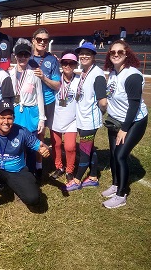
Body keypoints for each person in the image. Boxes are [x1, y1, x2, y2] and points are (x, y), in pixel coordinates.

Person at [102, 40, 148, 208]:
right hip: (115, 120)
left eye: (119, 52)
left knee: (121, 156)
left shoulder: (132, 76)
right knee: (113, 154)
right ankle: (115, 184)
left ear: (126, 54)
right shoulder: (113, 73)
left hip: (134, 121)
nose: (115, 54)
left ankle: (121, 195)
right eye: (112, 52)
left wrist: (124, 129)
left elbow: (134, 105)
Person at [64, 42, 107, 192]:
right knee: (90, 149)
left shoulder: (98, 74)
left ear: (94, 56)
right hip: (83, 119)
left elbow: (103, 101)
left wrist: (101, 113)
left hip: (89, 121)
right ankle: (93, 176)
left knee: (84, 151)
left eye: (87, 54)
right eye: (81, 53)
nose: (83, 56)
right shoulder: (84, 72)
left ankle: (77, 180)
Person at [8, 38, 46, 177]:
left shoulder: (34, 73)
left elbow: (40, 96)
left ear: (29, 56)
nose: (22, 58)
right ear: (15, 56)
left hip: (31, 113)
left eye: (26, 55)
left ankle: (30, 174)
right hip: (16, 112)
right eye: (20, 55)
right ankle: (18, 173)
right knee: (17, 144)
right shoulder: (10, 73)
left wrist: (42, 119)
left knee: (31, 146)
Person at [29, 28, 61, 181]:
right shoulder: (26, 57)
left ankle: (39, 165)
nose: (42, 42)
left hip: (48, 102)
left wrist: (43, 78)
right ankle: (28, 161)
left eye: (45, 40)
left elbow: (57, 85)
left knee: (43, 134)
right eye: (39, 39)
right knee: (30, 132)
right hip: (31, 102)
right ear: (33, 40)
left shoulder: (52, 60)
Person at [49, 51, 80, 182]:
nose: (68, 66)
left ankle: (70, 170)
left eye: (71, 63)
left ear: (75, 65)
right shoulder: (55, 79)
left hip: (72, 120)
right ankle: (59, 167)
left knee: (70, 147)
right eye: (65, 63)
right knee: (55, 145)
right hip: (55, 118)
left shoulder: (80, 80)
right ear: (61, 64)